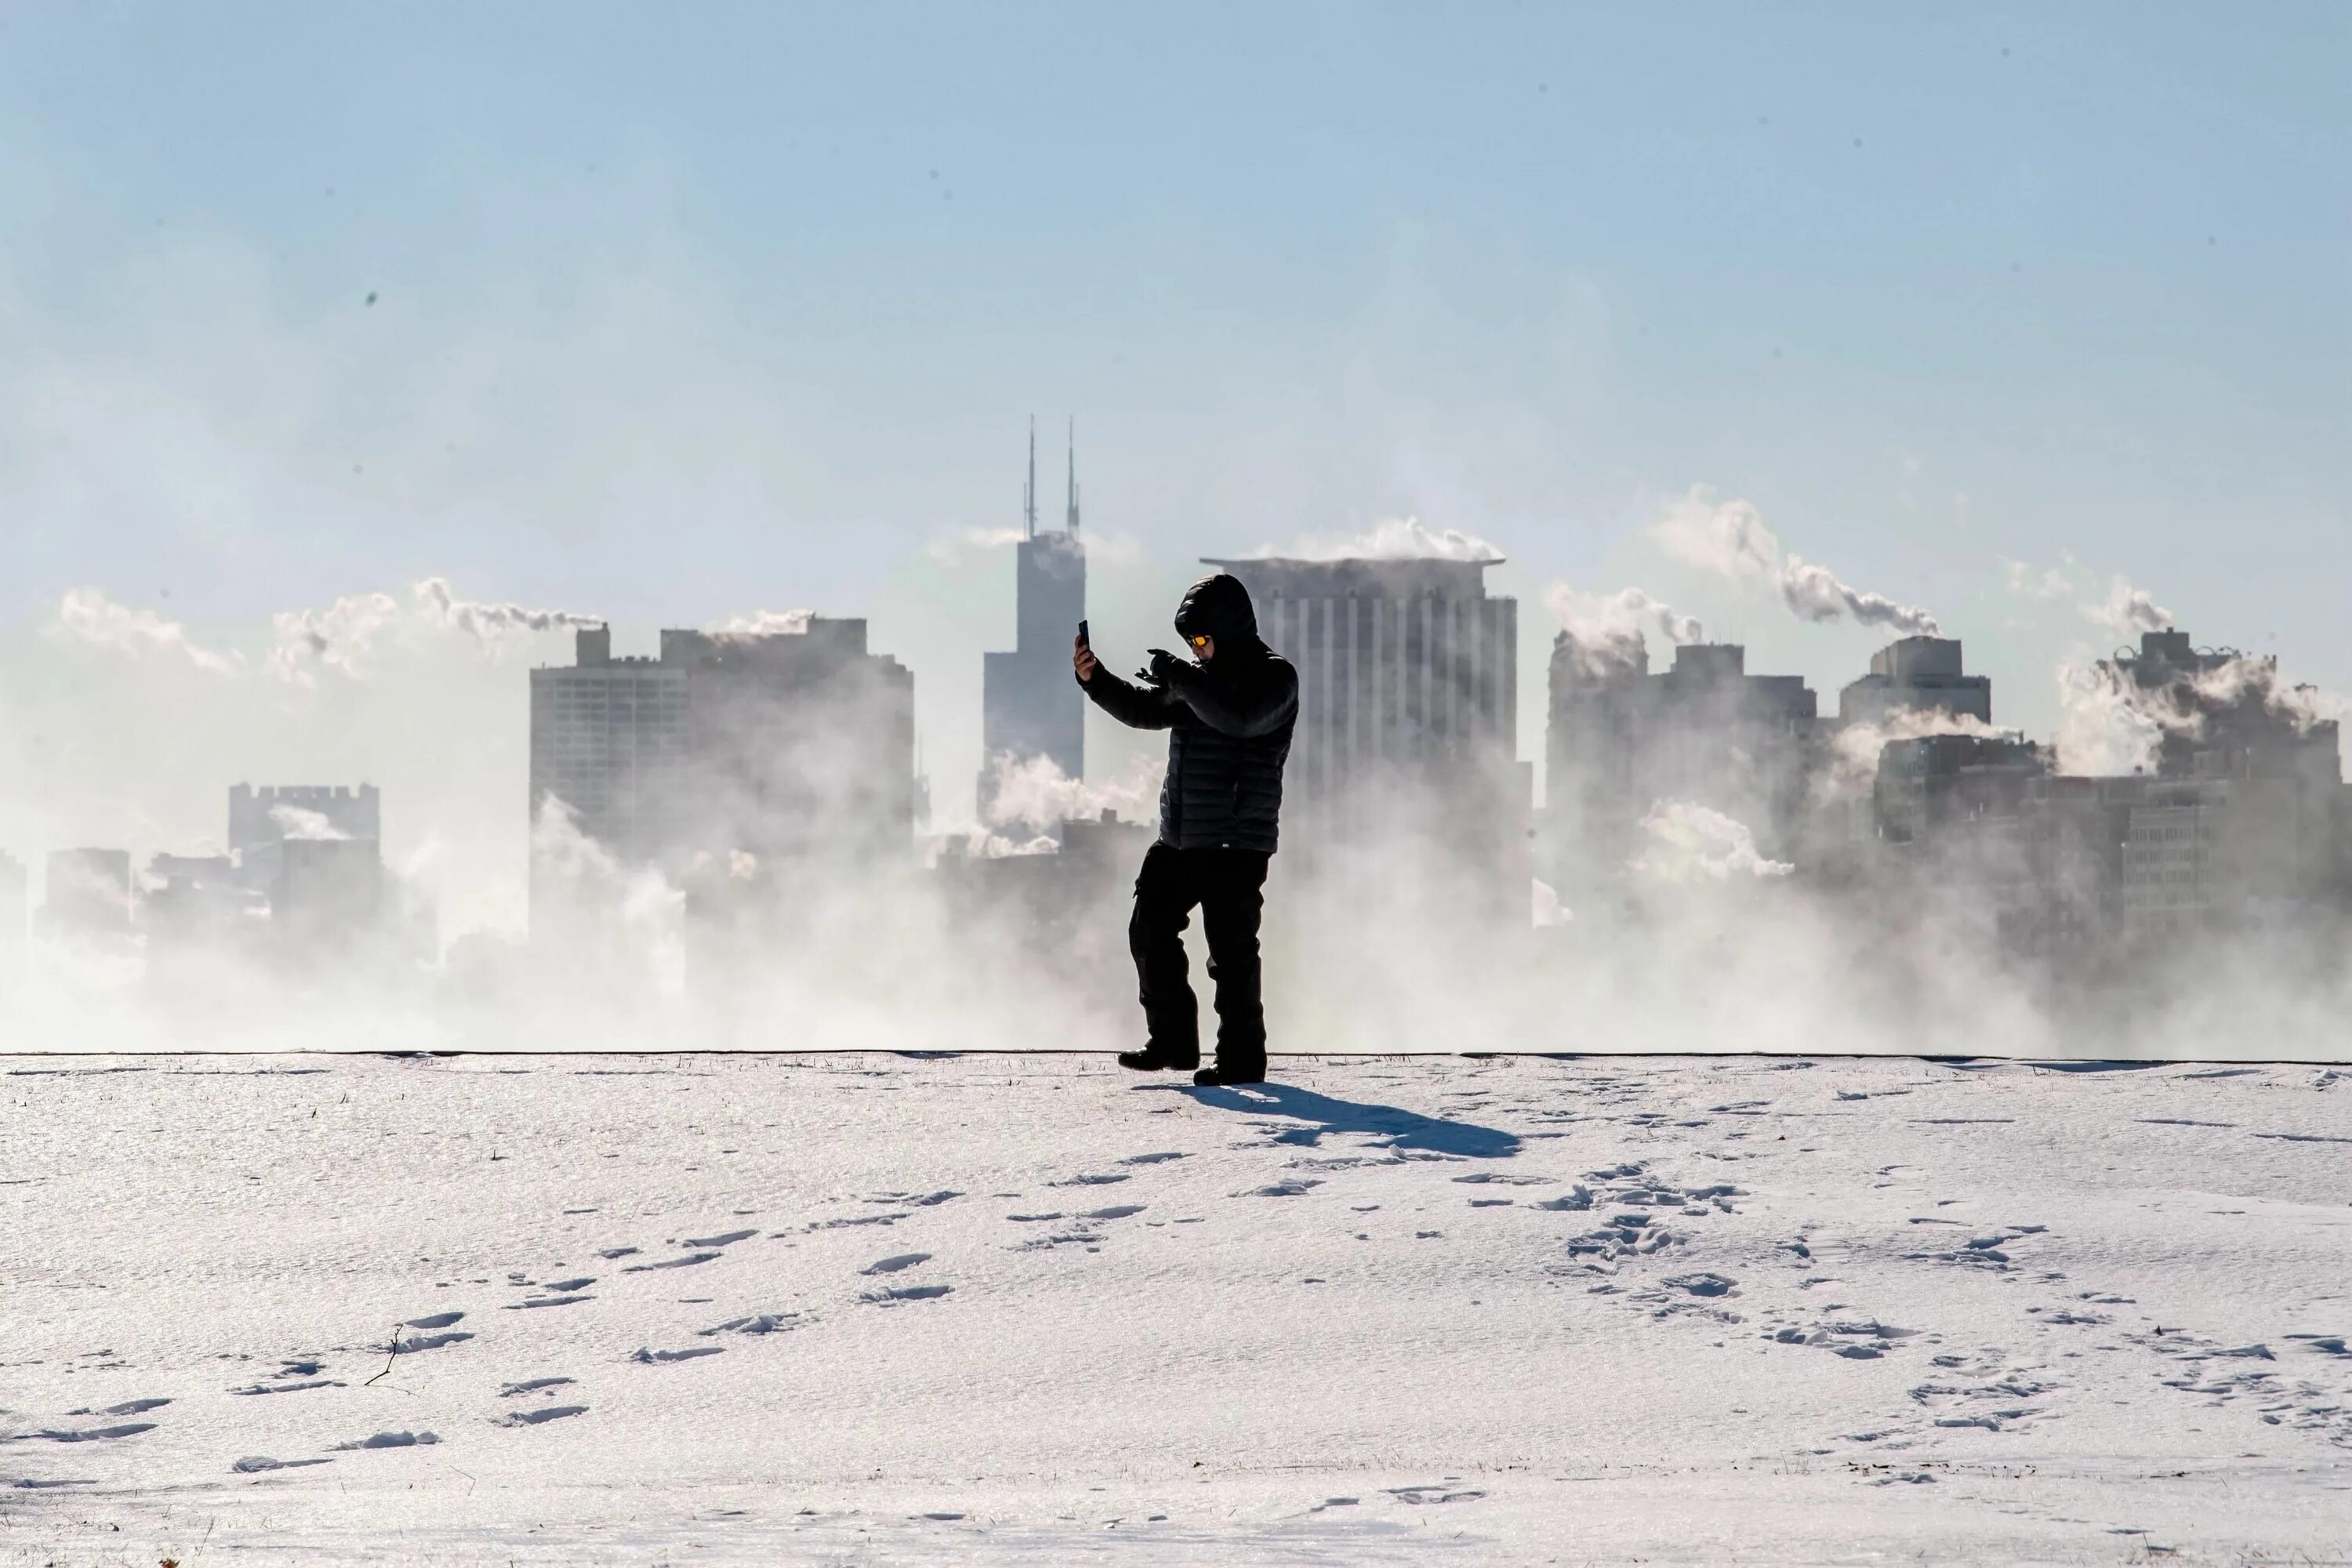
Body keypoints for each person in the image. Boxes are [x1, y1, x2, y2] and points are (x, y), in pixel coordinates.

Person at [1073, 572, 1298, 1087]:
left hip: (1236, 842)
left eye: (1201, 638)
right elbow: (1142, 711)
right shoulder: (1198, 680)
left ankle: (1242, 1061)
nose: (1196, 650)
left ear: (1229, 629)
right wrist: (1094, 679)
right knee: (1149, 931)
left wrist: (1181, 674)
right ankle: (1172, 1043)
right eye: (1189, 643)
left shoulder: (1275, 678)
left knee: (1231, 954)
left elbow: (1240, 718)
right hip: (1179, 839)